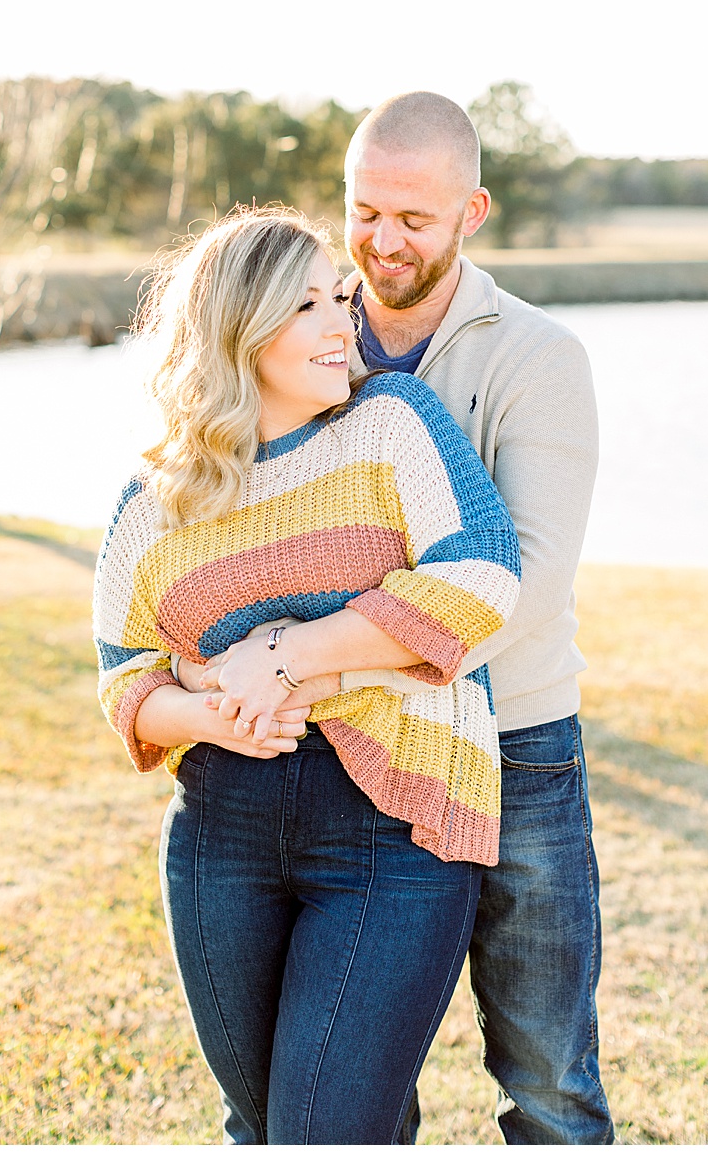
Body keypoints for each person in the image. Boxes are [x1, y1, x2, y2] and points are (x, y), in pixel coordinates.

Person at [180, 92, 613, 1143]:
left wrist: (304, 662)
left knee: (548, 1080)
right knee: (347, 1091)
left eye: (413, 219)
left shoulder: (536, 359)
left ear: (474, 211)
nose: (381, 241)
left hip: (516, 751)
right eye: (364, 211)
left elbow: (529, 580)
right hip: (347, 766)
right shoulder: (303, 335)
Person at [93, 206, 521, 1143]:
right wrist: (214, 718)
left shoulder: (392, 425)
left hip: (392, 826)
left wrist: (282, 661)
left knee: (323, 1131)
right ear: (237, 330)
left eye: (342, 298)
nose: (345, 323)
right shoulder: (156, 498)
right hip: (222, 837)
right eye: (309, 307)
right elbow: (125, 680)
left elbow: (482, 577)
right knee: (263, 1127)